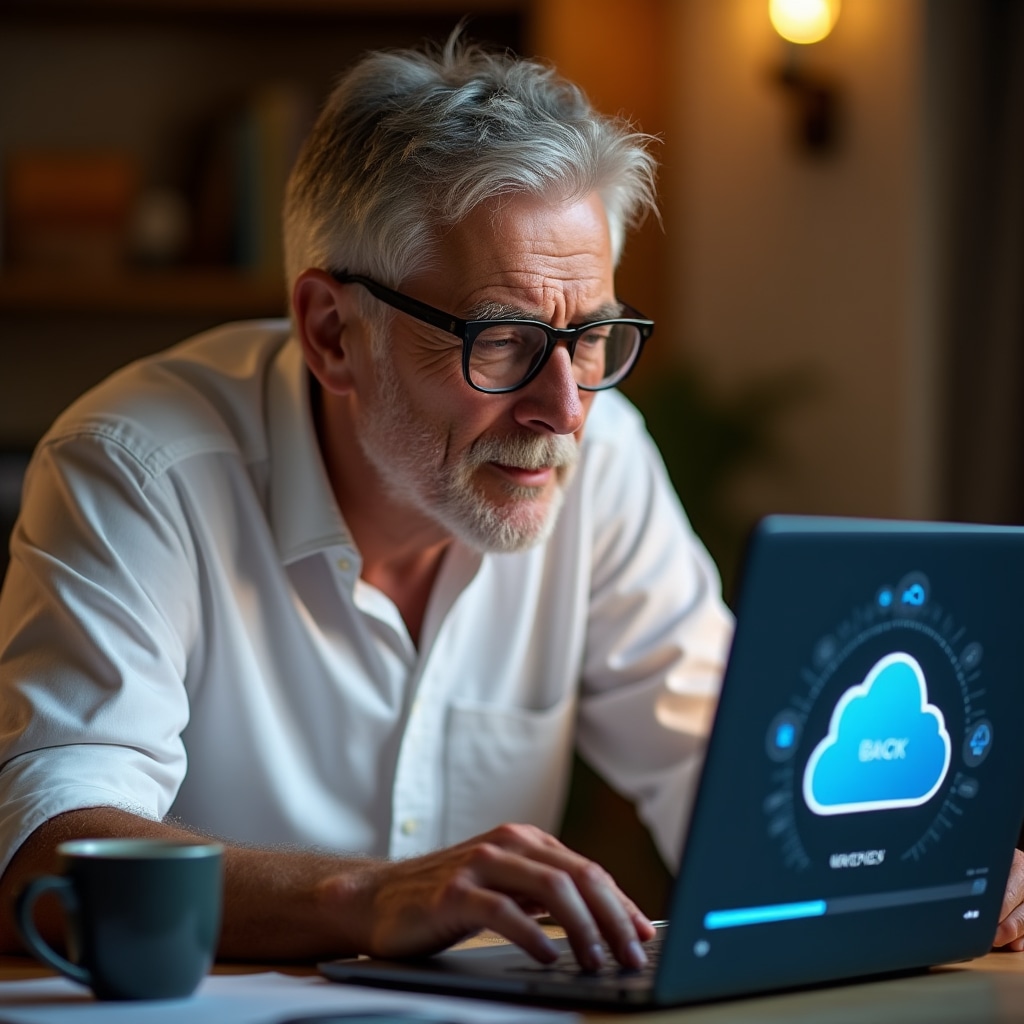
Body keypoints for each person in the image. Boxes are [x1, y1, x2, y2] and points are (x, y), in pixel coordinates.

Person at [0, 31, 1022, 971]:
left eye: (590, 337)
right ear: (330, 333)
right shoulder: (137, 471)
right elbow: (47, 855)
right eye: (501, 340)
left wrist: (914, 860)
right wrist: (367, 896)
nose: (565, 407)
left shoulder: (599, 457)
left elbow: (729, 767)